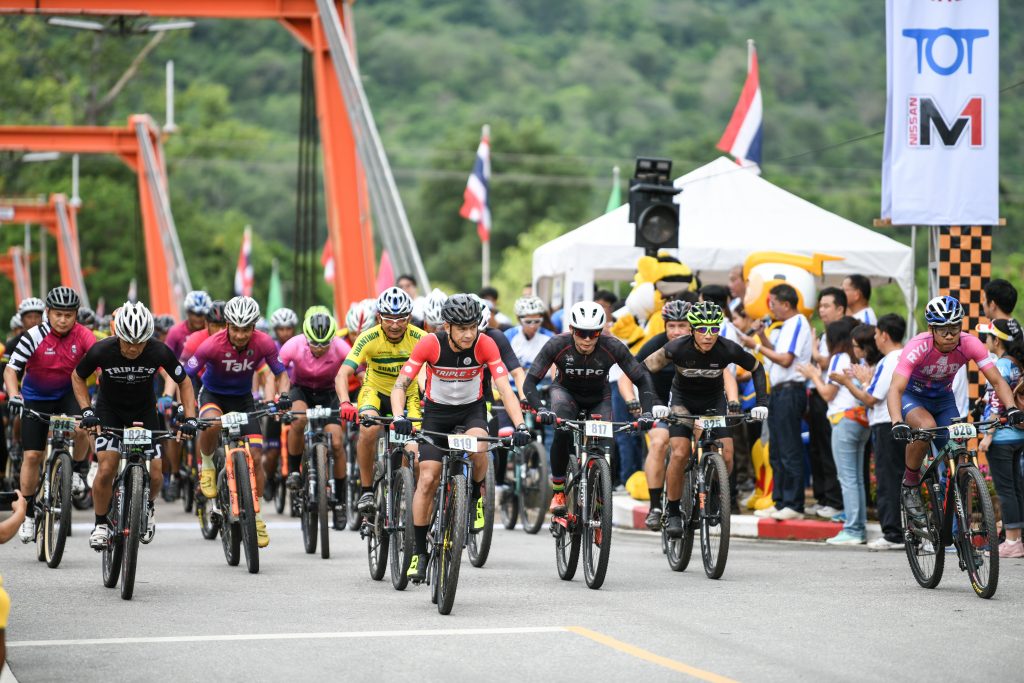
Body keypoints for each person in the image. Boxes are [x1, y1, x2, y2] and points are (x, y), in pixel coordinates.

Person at [391, 294, 530, 582]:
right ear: (447, 327)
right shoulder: (430, 343)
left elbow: (505, 389)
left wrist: (520, 425)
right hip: (436, 414)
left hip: (471, 412)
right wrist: (398, 417)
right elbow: (401, 384)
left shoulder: (485, 344)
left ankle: (476, 496)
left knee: (480, 447)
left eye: (473, 327)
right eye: (462, 328)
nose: (469, 334)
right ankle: (419, 551)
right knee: (427, 479)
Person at [888, 296, 1023, 532]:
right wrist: (897, 421)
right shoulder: (918, 346)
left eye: (955, 327)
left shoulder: (970, 343)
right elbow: (895, 389)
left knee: (959, 458)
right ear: (931, 328)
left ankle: (950, 519)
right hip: (913, 397)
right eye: (943, 329)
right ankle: (910, 484)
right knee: (926, 427)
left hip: (943, 400)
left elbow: (997, 380)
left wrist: (1012, 408)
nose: (950, 335)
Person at [71, 302, 199, 549]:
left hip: (144, 411)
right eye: (127, 342)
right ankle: (100, 524)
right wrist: (86, 410)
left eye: (140, 343)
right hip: (110, 410)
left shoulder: (159, 351)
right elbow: (77, 376)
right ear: (117, 334)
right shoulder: (102, 350)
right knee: (107, 467)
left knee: (157, 472)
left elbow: (183, 381)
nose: (133, 348)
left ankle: (147, 506)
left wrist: (191, 418)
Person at [523, 301, 663, 515]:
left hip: (598, 397)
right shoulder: (557, 344)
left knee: (607, 443)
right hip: (565, 394)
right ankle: (558, 490)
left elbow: (642, 379)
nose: (587, 339)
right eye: (582, 333)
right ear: (572, 329)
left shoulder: (612, 346)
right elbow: (530, 382)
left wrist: (647, 412)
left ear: (601, 331)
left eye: (594, 333)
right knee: (562, 432)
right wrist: (541, 409)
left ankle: (599, 495)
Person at [643, 301, 768, 535]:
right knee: (679, 453)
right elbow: (644, 370)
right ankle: (672, 511)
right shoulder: (677, 347)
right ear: (692, 330)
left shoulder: (727, 348)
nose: (708, 335)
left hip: (713, 402)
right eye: (702, 329)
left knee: (727, 455)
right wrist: (656, 403)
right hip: (683, 403)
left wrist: (762, 403)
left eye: (714, 329)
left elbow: (757, 368)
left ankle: (713, 494)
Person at [186, 295, 289, 548]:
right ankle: (207, 465)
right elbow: (185, 375)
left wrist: (284, 397)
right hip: (213, 395)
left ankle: (257, 516)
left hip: (243, 399)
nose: (241, 335)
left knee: (256, 455)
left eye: (246, 329)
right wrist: (183, 408)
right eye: (236, 329)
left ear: (254, 327)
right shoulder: (211, 345)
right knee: (212, 423)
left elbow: (281, 374)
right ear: (227, 325)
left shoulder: (264, 342)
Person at [4, 287, 95, 543]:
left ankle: (77, 470)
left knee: (82, 427)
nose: (63, 320)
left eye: (68, 315)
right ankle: (27, 514)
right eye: (58, 314)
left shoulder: (84, 335)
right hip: (36, 398)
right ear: (48, 313)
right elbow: (11, 370)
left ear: (76, 315)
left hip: (70, 395)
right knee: (33, 455)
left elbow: (101, 364)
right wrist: (14, 395)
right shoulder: (34, 335)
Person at [335, 287, 423, 515]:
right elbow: (343, 374)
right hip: (374, 392)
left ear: (409, 318)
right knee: (369, 429)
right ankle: (366, 490)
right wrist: (345, 402)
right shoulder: (368, 337)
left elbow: (431, 371)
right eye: (389, 319)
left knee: (415, 455)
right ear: (378, 318)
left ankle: (405, 488)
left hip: (408, 396)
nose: (395, 325)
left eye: (401, 319)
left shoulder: (420, 338)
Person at [831, 315, 906, 550]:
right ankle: (902, 531)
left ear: (884, 335)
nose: (875, 339)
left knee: (888, 479)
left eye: (876, 335)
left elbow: (871, 397)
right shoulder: (906, 356)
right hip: (903, 421)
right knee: (902, 478)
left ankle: (893, 534)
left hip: (886, 423)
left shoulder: (889, 360)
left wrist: (848, 382)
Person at [738, 283, 812, 519]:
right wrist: (761, 336)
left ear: (786, 304)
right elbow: (777, 351)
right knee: (777, 449)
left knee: (789, 448)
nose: (771, 309)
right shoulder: (788, 324)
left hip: (791, 390)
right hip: (779, 391)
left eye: (774, 304)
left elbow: (785, 359)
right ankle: (780, 501)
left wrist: (756, 345)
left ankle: (794, 504)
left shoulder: (798, 322)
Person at [620, 299, 690, 529]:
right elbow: (626, 377)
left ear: (692, 326)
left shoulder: (701, 344)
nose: (677, 331)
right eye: (672, 326)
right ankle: (655, 506)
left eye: (682, 326)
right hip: (657, 404)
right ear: (665, 326)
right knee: (659, 442)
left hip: (688, 405)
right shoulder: (656, 345)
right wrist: (632, 401)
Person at [278, 307, 351, 528]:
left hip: (329, 393)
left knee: (336, 443)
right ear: (306, 338)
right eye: (314, 343)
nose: (319, 348)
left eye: (324, 344)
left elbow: (358, 370)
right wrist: (281, 396)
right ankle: (293, 471)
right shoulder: (294, 345)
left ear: (332, 339)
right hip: (301, 390)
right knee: (298, 420)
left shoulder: (341, 346)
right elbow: (278, 371)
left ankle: (340, 501)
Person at [799, 317, 869, 543]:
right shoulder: (859, 358)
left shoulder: (839, 358)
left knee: (847, 478)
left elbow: (828, 394)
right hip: (860, 418)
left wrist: (813, 376)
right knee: (856, 477)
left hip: (844, 420)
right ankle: (856, 521)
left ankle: (854, 529)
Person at [976, 318, 1024, 558]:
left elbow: (997, 403)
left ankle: (1012, 541)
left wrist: (987, 436)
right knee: (1016, 488)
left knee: (1005, 491)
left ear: (997, 341)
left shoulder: (1000, 366)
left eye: (988, 337)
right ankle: (1017, 539)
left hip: (1002, 436)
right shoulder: (1016, 364)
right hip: (1018, 435)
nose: (985, 341)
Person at [805, 287, 847, 518]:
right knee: (817, 449)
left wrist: (813, 348)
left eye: (826, 306)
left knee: (830, 451)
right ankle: (822, 497)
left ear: (840, 309)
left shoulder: (844, 333)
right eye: (820, 306)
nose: (822, 311)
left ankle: (834, 500)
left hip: (834, 397)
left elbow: (824, 362)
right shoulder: (824, 334)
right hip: (817, 393)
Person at [262, 307, 299, 500]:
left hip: (296, 398)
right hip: (276, 399)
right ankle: (269, 479)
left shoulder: (300, 345)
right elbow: (263, 374)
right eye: (281, 329)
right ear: (275, 330)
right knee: (272, 451)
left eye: (288, 328)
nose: (285, 332)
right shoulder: (270, 348)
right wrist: (267, 399)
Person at [164, 290, 211, 359]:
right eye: (195, 313)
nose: (198, 318)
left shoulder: (211, 331)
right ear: (187, 312)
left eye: (202, 314)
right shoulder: (175, 332)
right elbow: (165, 358)